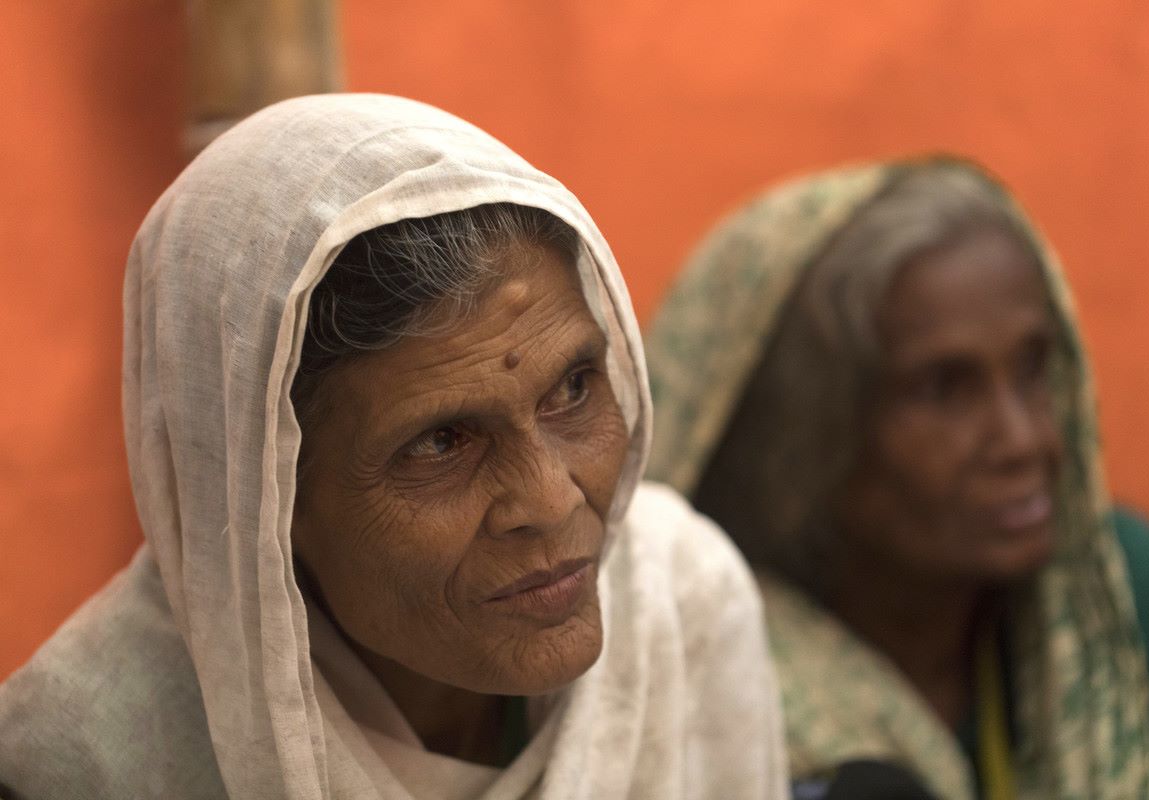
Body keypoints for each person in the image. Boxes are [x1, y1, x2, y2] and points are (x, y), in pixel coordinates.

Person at [0, 95, 785, 799]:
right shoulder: (88, 761)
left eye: (573, 389)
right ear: (261, 494)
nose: (550, 501)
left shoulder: (680, 601)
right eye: (440, 443)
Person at [645, 158, 1149, 799]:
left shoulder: (1119, 593)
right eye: (945, 390)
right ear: (805, 434)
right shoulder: (697, 674)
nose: (1026, 440)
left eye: (1032, 368)